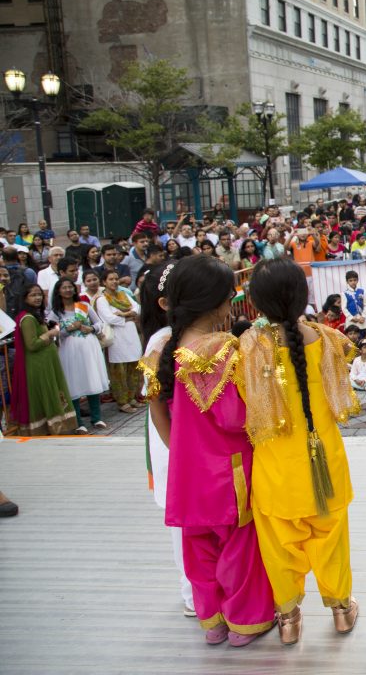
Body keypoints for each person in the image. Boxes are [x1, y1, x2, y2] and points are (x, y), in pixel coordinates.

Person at [142, 255, 276, 646]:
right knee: (239, 549)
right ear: (217, 302)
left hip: (187, 471)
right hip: (229, 469)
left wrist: (183, 451)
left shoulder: (162, 347)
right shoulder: (221, 351)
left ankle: (213, 623)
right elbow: (235, 418)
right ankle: (244, 622)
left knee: (198, 549)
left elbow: (157, 414)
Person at [240, 259, 362, 644]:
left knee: (279, 547)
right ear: (302, 296)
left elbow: (246, 401)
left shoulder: (249, 348)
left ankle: (289, 620)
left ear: (256, 304)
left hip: (276, 470)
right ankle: (342, 611)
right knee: (331, 540)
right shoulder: (328, 339)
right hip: (326, 462)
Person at [137, 262, 194, 617]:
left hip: (195, 445)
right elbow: (156, 403)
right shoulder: (161, 342)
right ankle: (192, 593)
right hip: (175, 442)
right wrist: (178, 448)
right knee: (182, 521)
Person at [5, 282, 78, 436]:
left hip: (46, 363)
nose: (38, 298)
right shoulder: (27, 319)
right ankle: (52, 428)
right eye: (33, 295)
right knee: (47, 393)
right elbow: (31, 344)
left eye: (39, 294)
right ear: (24, 298)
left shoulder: (36, 315)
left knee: (53, 392)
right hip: (38, 365)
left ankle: (57, 427)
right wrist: (50, 334)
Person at [46, 278, 109, 432]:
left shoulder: (84, 306)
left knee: (91, 379)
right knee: (73, 383)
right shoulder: (56, 313)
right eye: (64, 287)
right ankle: (78, 421)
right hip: (69, 351)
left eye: (70, 287)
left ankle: (97, 417)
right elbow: (52, 334)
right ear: (58, 291)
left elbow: (99, 323)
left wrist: (92, 329)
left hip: (88, 348)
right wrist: (68, 329)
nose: (68, 290)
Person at [93, 269, 143, 413]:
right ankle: (122, 402)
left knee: (133, 367)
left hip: (131, 335)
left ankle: (132, 397)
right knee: (119, 370)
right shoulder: (102, 299)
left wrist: (123, 314)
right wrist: (129, 316)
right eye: (111, 279)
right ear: (104, 282)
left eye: (116, 278)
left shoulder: (123, 294)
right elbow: (110, 318)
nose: (114, 281)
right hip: (117, 338)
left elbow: (137, 308)